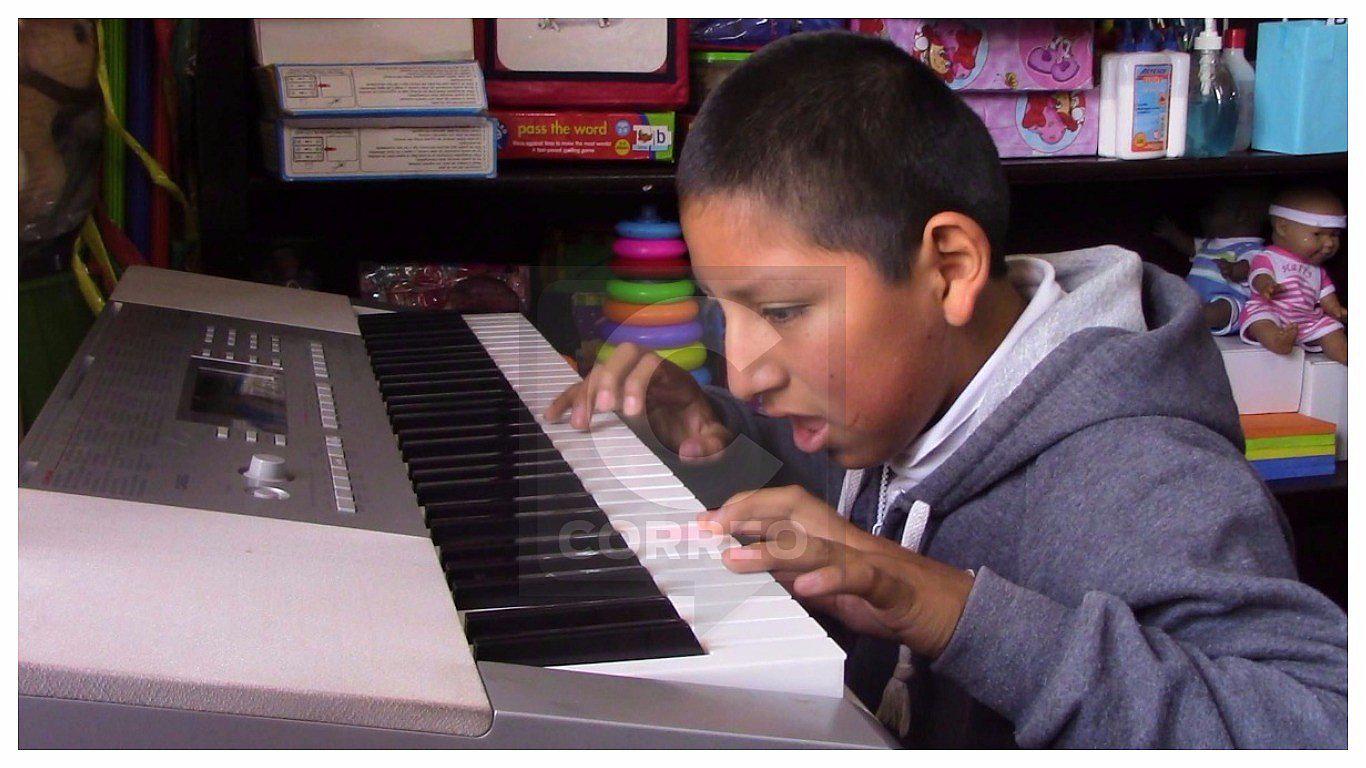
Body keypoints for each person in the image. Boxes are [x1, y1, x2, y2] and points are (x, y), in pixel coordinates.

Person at [545, 32, 1347, 748]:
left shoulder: (1144, 473)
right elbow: (842, 514)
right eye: (725, 310)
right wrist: (713, 432)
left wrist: (954, 612)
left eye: (783, 309)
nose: (746, 369)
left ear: (951, 269)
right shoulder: (896, 395)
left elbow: (1321, 721)